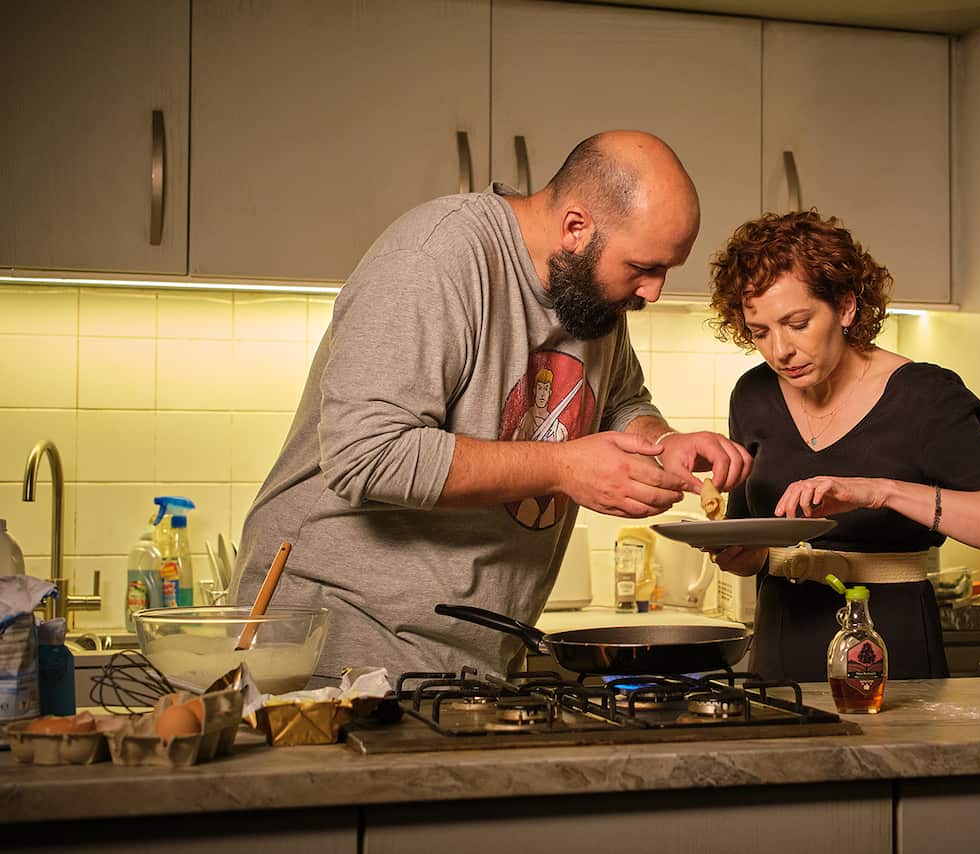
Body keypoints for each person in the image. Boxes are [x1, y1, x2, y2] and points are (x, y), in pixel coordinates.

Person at [231, 131, 752, 685]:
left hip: (470, 653)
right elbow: (365, 454)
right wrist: (563, 467)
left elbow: (619, 400)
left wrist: (660, 442)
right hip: (338, 647)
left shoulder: (591, 292)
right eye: (643, 267)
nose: (653, 293)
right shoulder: (433, 258)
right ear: (577, 228)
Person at [706, 210, 980, 682]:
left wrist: (880, 491)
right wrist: (735, 547)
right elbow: (751, 542)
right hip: (782, 647)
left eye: (798, 323)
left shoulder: (924, 396)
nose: (779, 350)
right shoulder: (753, 394)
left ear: (845, 307)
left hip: (891, 646)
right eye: (760, 331)